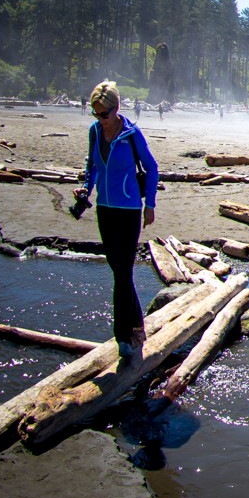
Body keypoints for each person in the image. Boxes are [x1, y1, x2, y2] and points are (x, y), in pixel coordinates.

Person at [72, 80, 160, 362]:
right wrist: (86, 187)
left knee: (123, 271)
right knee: (118, 270)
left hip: (129, 210)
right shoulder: (95, 132)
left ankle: (124, 336)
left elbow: (152, 166)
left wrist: (150, 204)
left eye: (104, 114)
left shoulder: (132, 134)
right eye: (95, 113)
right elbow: (92, 166)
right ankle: (135, 330)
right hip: (104, 209)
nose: (100, 118)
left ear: (116, 108)